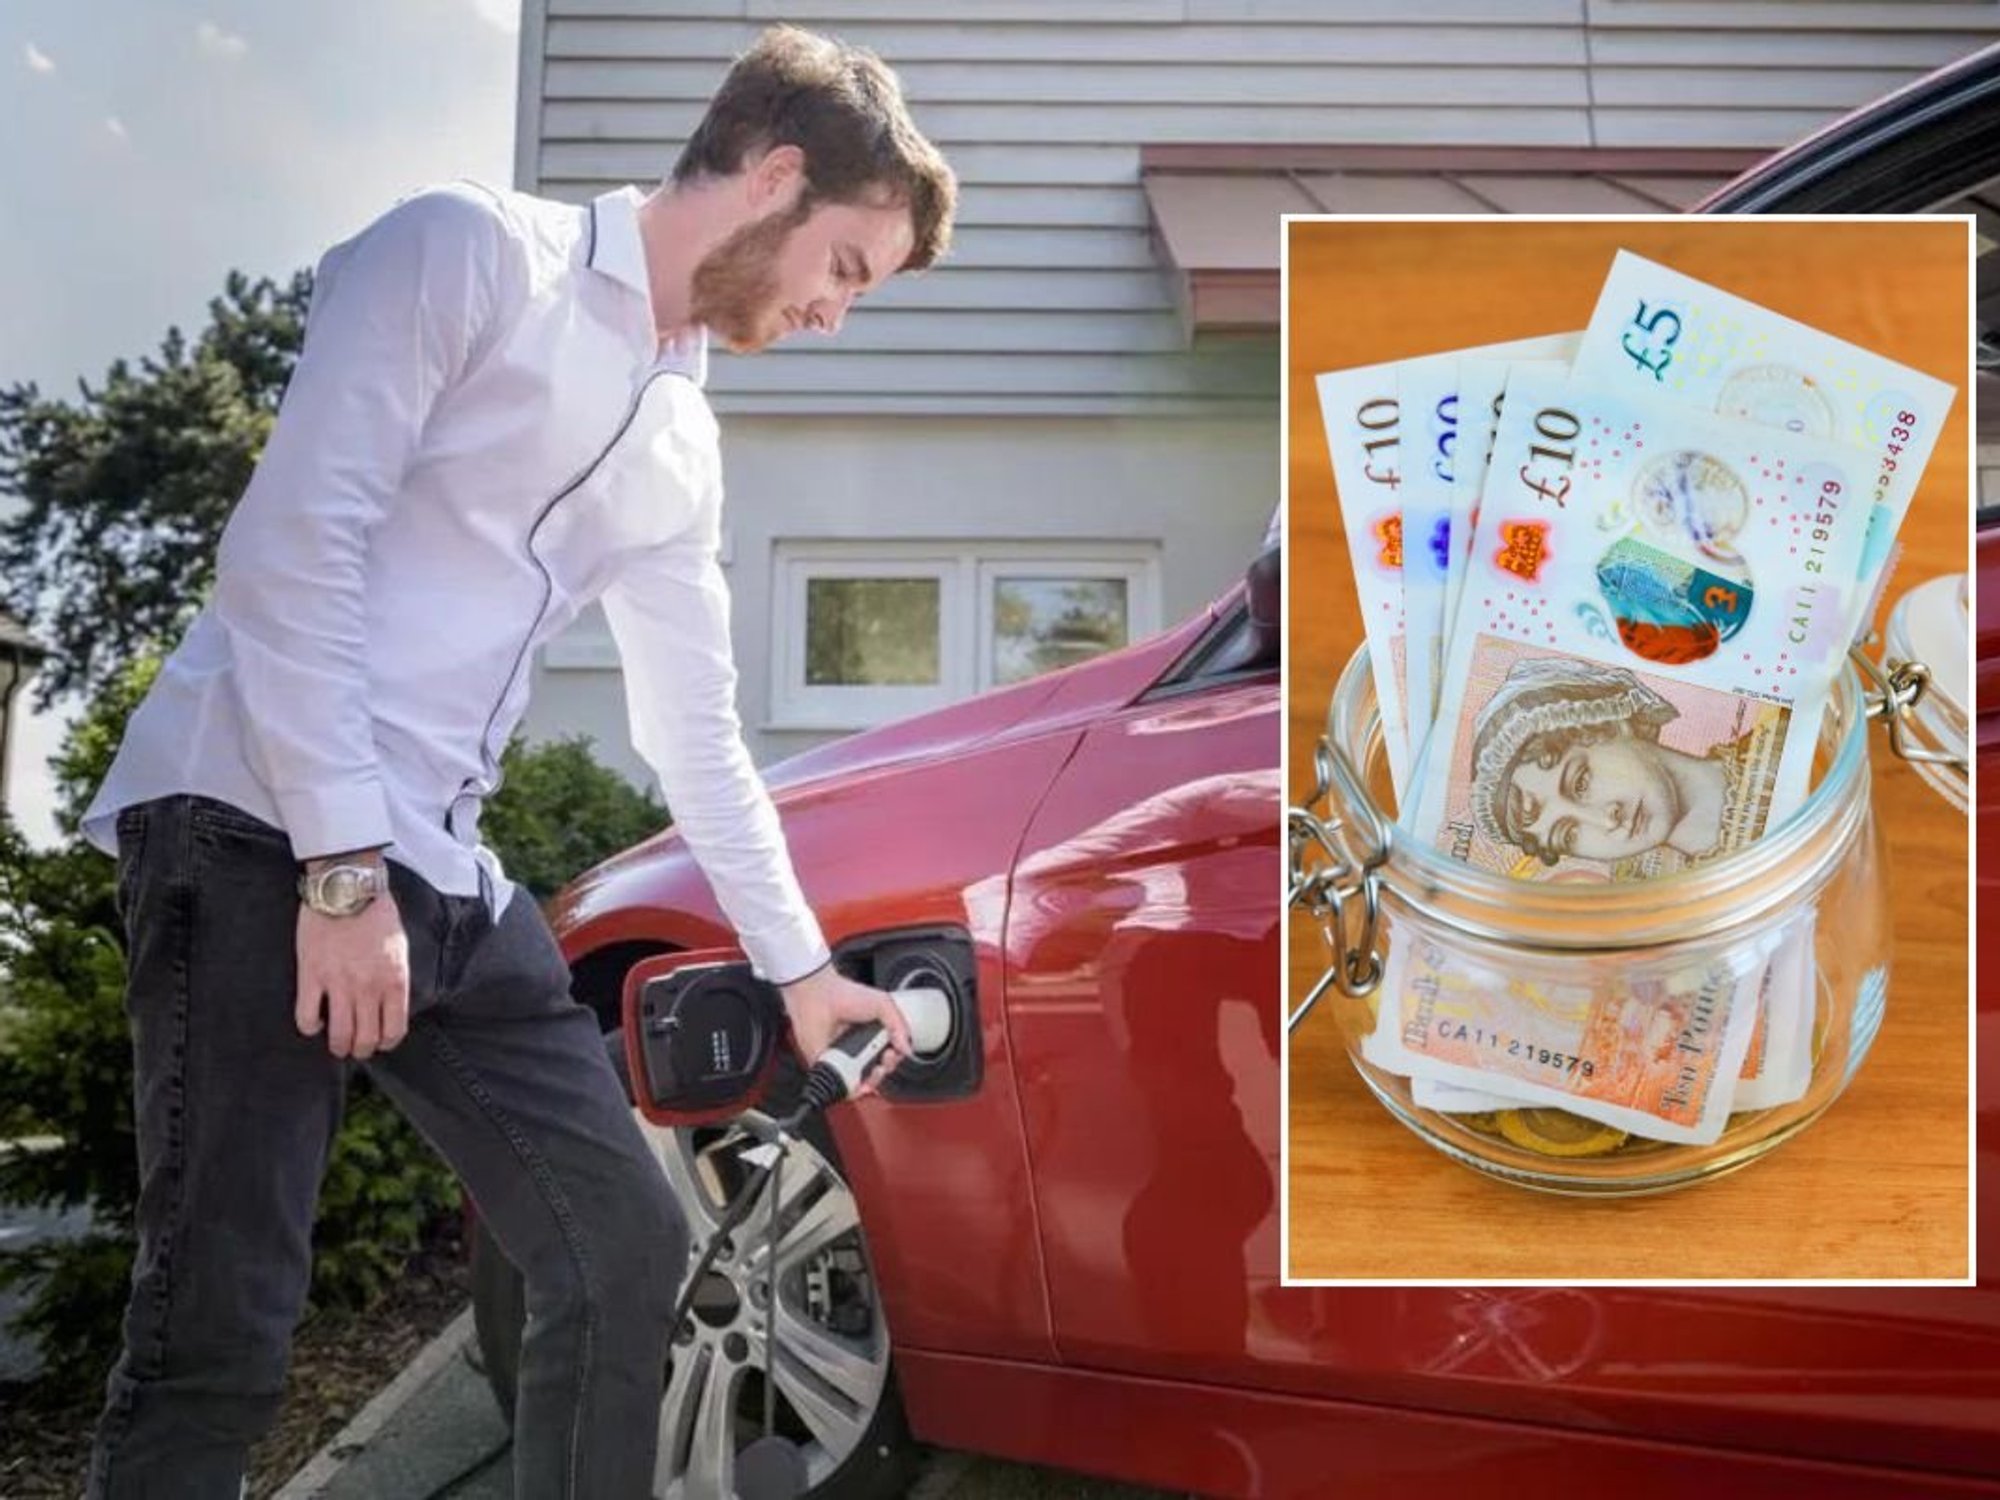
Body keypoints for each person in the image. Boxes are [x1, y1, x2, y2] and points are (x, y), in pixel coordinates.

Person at [76, 25, 955, 1498]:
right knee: (219, 1319)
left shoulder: (681, 435)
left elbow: (695, 733)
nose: (833, 314)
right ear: (776, 177)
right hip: (250, 815)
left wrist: (802, 971)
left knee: (624, 1243)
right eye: (847, 269)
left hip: (433, 866)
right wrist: (339, 870)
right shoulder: (470, 252)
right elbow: (292, 550)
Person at [1468, 655, 1758, 871]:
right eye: (1569, 835)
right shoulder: (1667, 920)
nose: (1606, 820)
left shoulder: (1778, 746)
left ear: (1611, 722)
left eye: (1580, 782)